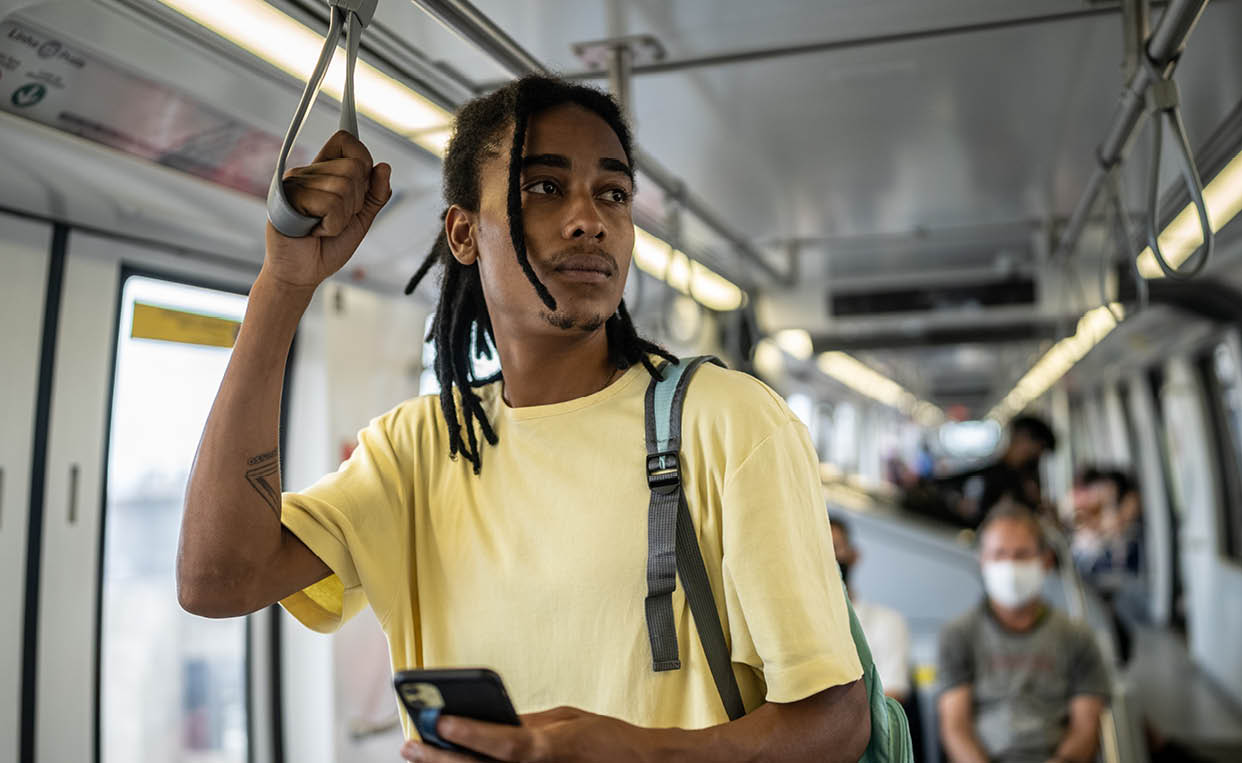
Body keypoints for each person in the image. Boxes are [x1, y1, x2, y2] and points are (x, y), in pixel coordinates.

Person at [176, 75, 870, 762]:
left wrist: (637, 754)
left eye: (614, 192)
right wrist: (284, 286)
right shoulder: (418, 450)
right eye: (543, 186)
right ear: (464, 232)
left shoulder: (727, 423)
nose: (589, 218)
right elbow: (217, 579)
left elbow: (837, 720)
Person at [937, 502, 1110, 763]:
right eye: (999, 555)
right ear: (983, 561)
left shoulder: (1077, 637)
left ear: (1046, 561)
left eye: (1021, 555)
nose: (1010, 567)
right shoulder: (959, 635)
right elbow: (955, 728)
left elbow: (1086, 727)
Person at [917, 415, 1058, 528]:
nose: (1037, 457)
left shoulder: (1025, 482)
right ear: (1022, 439)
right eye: (1038, 449)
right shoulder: (989, 475)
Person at [829, 515, 912, 703]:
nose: (828, 558)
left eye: (834, 548)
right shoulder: (797, 628)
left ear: (854, 555)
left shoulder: (888, 623)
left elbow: (891, 699)